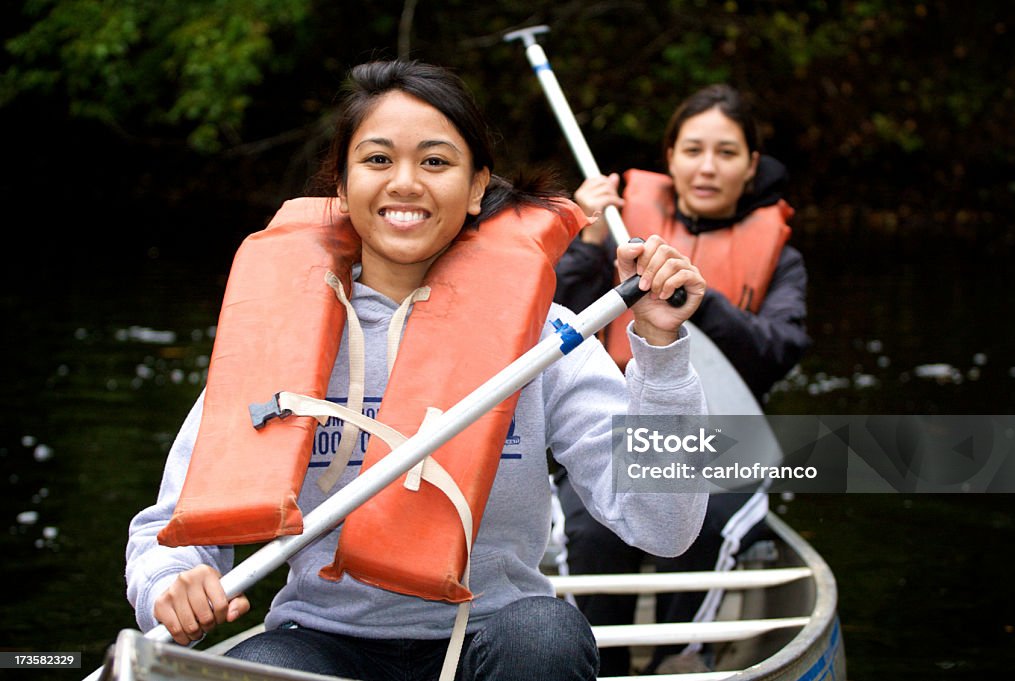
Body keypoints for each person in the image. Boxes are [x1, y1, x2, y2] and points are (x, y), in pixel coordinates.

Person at [125, 60, 709, 681]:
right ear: (342, 189)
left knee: (545, 636)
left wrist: (659, 347)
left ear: (478, 186)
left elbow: (664, 526)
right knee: (255, 670)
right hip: (323, 641)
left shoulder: (545, 339)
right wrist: (168, 584)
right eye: (378, 160)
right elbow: (166, 531)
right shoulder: (275, 338)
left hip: (494, 634)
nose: (405, 183)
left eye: (435, 162)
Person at [553, 83, 811, 675]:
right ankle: (601, 663)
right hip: (624, 425)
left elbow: (778, 352)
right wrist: (587, 242)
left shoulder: (783, 259)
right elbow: (551, 333)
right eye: (693, 150)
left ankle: (679, 658)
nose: (707, 167)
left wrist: (698, 298)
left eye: (726, 153)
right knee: (592, 529)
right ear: (669, 157)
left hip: (724, 439)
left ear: (751, 165)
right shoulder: (617, 231)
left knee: (705, 524)